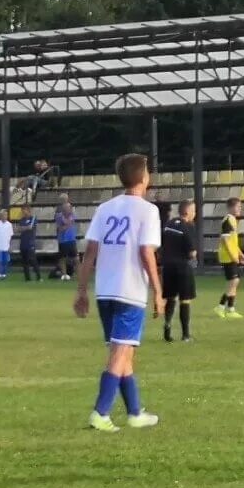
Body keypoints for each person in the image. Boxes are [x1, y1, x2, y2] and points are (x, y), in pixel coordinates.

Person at [73, 153, 162, 432]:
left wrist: (82, 290)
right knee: (119, 354)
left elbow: (89, 252)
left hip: (105, 290)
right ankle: (101, 412)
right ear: (144, 177)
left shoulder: (105, 208)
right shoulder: (148, 211)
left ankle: (135, 412)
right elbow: (146, 252)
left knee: (124, 354)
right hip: (130, 290)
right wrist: (158, 290)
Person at [160, 200, 198, 343]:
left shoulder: (168, 225)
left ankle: (167, 328)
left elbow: (161, 244)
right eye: (193, 210)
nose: (195, 214)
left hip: (168, 266)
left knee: (171, 298)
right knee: (185, 300)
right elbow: (192, 252)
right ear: (187, 212)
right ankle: (185, 335)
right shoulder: (188, 227)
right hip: (183, 267)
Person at [214, 197, 244, 319]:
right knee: (233, 281)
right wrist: (233, 256)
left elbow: (233, 241)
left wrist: (240, 253)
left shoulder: (232, 220)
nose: (240, 209)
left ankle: (230, 309)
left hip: (231, 255)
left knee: (235, 281)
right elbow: (226, 240)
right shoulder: (227, 220)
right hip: (227, 256)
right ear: (231, 207)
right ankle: (221, 307)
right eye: (238, 207)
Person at [54, 197, 78, 280]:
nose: (68, 209)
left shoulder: (72, 215)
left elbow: (67, 224)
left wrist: (65, 225)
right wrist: (66, 225)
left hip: (71, 239)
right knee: (62, 258)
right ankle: (64, 274)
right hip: (62, 240)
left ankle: (79, 274)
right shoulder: (58, 216)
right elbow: (60, 228)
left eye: (69, 208)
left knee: (76, 258)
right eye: (66, 208)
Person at [17, 207, 41, 282]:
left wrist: (25, 228)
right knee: (24, 262)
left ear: (28, 210)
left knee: (33, 261)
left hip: (30, 243)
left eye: (24, 210)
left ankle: (38, 277)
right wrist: (26, 227)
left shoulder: (33, 218)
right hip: (23, 243)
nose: (23, 212)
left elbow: (31, 228)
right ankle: (27, 278)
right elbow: (19, 229)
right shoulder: (22, 220)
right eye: (22, 211)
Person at [0, 210, 13, 279]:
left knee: (5, 261)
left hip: (6, 246)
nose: (5, 216)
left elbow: (10, 236)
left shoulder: (9, 225)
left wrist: (10, 246)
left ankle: (4, 273)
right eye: (4, 215)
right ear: (1, 216)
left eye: (6, 215)